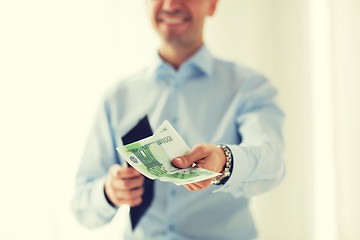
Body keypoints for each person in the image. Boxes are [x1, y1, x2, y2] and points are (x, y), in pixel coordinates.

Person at [72, 0, 285, 239]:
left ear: (212, 5)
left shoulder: (249, 87)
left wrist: (225, 161)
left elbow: (272, 162)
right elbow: (82, 206)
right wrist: (108, 192)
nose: (171, 3)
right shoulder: (117, 98)